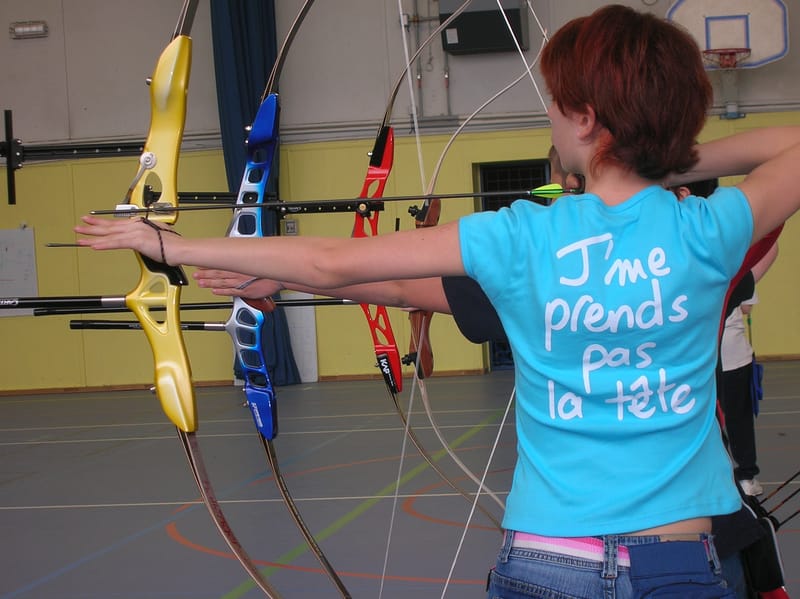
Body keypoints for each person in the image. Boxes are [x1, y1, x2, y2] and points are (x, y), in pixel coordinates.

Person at [74, 5, 800, 596]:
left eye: (556, 103)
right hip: (677, 562)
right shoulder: (714, 229)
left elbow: (333, 259)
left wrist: (173, 245)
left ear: (585, 118)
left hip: (548, 561)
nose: (549, 115)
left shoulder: (521, 235)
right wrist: (657, 148)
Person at [719, 243, 779, 497]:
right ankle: (746, 476)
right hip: (732, 357)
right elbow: (745, 307)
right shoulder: (735, 272)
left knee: (713, 421)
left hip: (708, 359)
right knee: (738, 419)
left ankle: (723, 476)